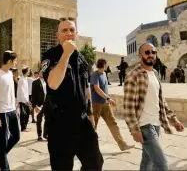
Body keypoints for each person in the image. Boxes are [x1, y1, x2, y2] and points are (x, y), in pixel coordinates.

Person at [40, 17, 103, 171]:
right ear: (58, 35)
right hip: (59, 124)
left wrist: (90, 114)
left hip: (82, 122)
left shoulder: (82, 59)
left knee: (95, 163)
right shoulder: (50, 55)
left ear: (76, 34)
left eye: (72, 30)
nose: (69, 33)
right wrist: (65, 55)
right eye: (64, 30)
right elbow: (53, 83)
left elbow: (86, 89)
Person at [123, 43, 184, 171]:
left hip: (156, 124)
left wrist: (174, 120)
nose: (151, 55)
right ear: (140, 56)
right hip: (144, 126)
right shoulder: (133, 75)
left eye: (153, 52)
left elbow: (160, 100)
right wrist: (134, 129)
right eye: (147, 52)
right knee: (162, 165)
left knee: (148, 160)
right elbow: (128, 106)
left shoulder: (155, 73)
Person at [90, 58, 134, 151]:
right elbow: (97, 89)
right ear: (103, 64)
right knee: (93, 127)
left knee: (113, 124)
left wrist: (107, 100)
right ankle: (87, 148)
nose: (108, 66)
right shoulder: (95, 74)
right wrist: (108, 98)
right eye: (107, 64)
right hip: (96, 104)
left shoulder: (104, 74)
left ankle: (122, 145)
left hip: (105, 104)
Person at [0, 51, 21, 171]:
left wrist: (16, 108)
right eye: (15, 60)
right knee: (2, 141)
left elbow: (11, 93)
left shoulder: (10, 73)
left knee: (16, 136)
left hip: (12, 110)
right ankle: (5, 167)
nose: (16, 63)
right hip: (1, 111)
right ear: (9, 61)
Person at [31, 71, 48, 141]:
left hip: (47, 103)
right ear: (39, 74)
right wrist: (34, 106)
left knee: (47, 119)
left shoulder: (48, 81)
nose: (42, 74)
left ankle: (45, 134)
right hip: (39, 104)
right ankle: (39, 135)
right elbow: (33, 95)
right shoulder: (35, 82)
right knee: (39, 120)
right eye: (41, 73)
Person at [17, 66, 31, 132]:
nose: (29, 71)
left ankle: (25, 126)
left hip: (25, 100)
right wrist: (25, 100)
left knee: (26, 114)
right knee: (23, 114)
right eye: (28, 70)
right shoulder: (22, 79)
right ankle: (23, 127)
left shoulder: (25, 79)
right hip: (23, 100)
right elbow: (22, 91)